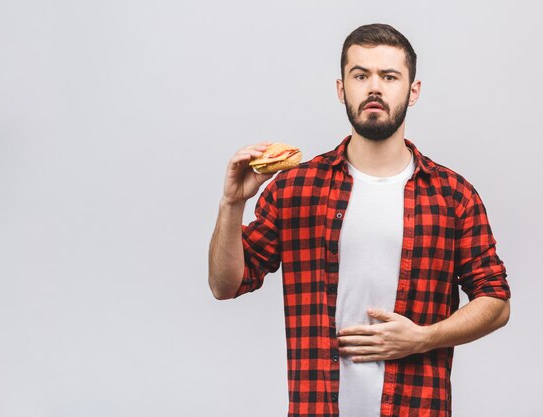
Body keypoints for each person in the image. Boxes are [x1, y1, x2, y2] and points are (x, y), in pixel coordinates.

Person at [208, 23, 511, 417]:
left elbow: (496, 301)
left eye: (389, 76)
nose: (374, 88)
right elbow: (225, 284)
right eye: (360, 75)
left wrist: (423, 338)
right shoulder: (295, 189)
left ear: (412, 91)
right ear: (341, 89)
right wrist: (232, 203)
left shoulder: (453, 196)